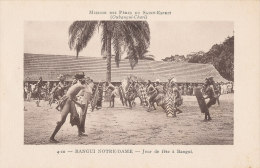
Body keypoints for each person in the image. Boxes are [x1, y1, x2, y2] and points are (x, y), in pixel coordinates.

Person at [49, 73, 87, 143]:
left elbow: (71, 97)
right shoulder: (79, 85)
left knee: (76, 117)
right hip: (67, 102)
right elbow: (85, 88)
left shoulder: (76, 85)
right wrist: (80, 104)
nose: (85, 79)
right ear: (80, 79)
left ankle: (80, 133)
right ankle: (52, 137)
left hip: (69, 101)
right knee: (62, 120)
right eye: (84, 78)